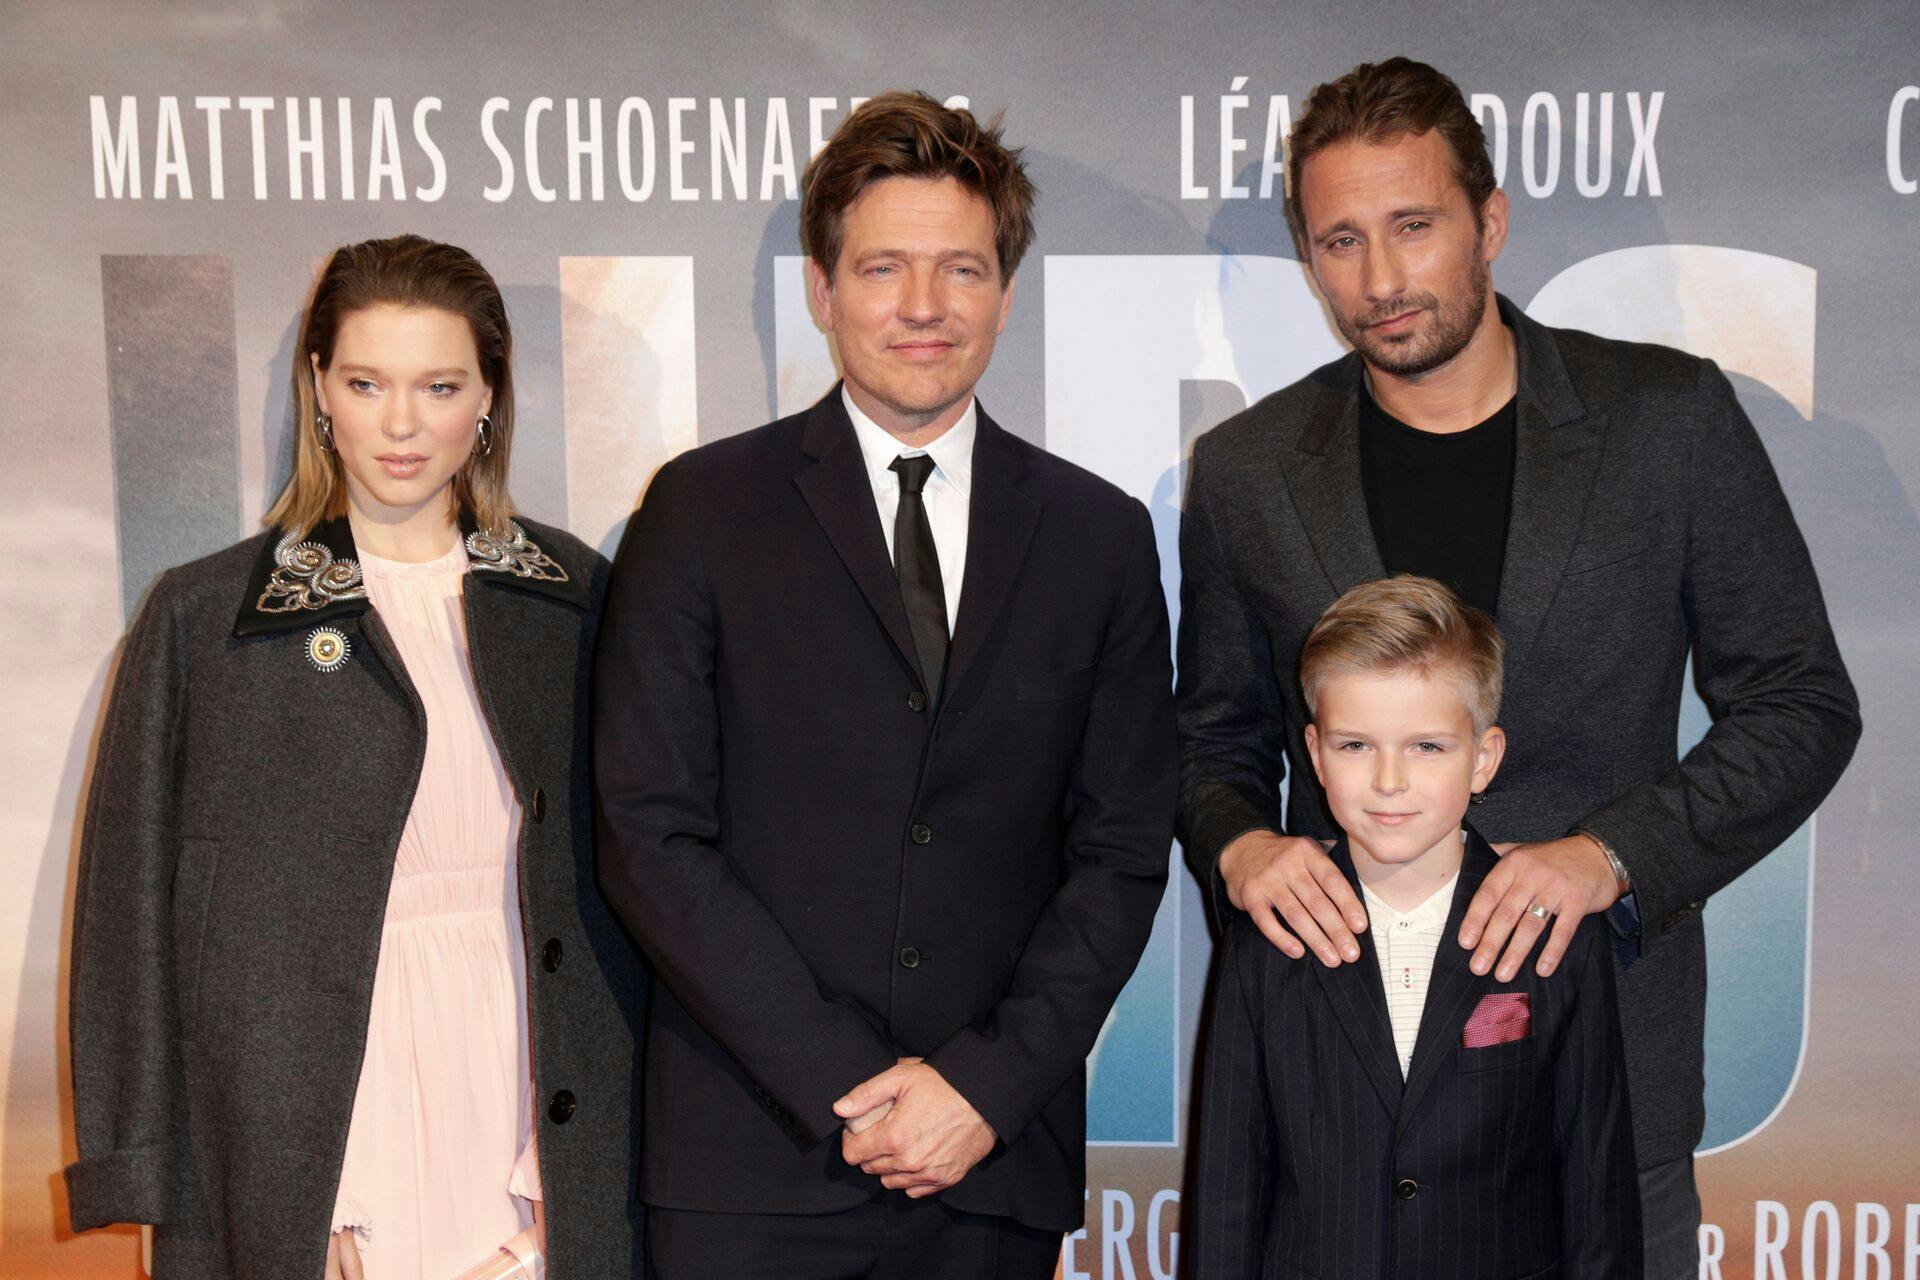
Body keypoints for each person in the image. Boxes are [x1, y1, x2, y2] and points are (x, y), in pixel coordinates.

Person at [1176, 58, 1860, 1277]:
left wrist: (1608, 859)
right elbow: (1208, 743)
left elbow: (1803, 704)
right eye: (1339, 240)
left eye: (1414, 226)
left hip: (1604, 1082)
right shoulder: (1248, 469)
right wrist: (1240, 846)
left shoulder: (1668, 418)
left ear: (1489, 220)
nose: (1379, 280)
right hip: (1332, 1110)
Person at [593, 91, 1178, 1278]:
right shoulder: (699, 512)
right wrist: (842, 1082)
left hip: (987, 1165)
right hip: (752, 1159)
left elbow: (1120, 851)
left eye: (961, 269)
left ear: (1006, 293)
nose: (923, 307)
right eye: (883, 268)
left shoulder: (1098, 537)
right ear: (822, 289)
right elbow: (649, 831)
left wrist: (986, 1084)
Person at [64, 235, 648, 1280]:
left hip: (530, 1089)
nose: (403, 421)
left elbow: (642, 887)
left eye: (440, 384)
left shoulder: (574, 599)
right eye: (368, 380)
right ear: (320, 388)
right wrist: (145, 1155)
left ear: (488, 399)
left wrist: (602, 1157)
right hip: (303, 1131)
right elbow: (129, 913)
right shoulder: (208, 619)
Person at [1188, 576, 1640, 1279]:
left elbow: (1596, 1185)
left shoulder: (1555, 932)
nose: (1389, 781)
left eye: (1427, 747)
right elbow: (1228, 1184)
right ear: (1313, 754)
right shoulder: (1270, 934)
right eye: (1355, 746)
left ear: (1483, 758)